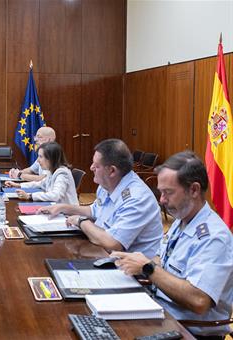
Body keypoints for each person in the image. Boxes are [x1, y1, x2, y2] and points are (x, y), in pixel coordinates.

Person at [111, 151, 233, 339]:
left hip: (187, 331)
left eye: (168, 192)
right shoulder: (182, 220)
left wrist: (148, 268)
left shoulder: (214, 237)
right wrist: (133, 262)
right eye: (161, 192)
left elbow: (199, 300)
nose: (162, 200)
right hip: (161, 314)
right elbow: (162, 259)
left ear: (194, 190)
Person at [38, 138, 162, 258]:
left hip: (132, 271)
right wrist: (63, 207)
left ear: (112, 171)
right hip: (103, 253)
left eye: (96, 166)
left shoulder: (136, 198)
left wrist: (81, 222)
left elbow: (113, 244)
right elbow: (94, 210)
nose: (91, 167)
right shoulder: (107, 184)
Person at [4, 142, 78, 204]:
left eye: (40, 157)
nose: (38, 160)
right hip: (56, 210)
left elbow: (55, 195)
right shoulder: (52, 171)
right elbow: (40, 184)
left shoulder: (62, 173)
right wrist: (18, 185)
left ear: (51, 158)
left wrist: (30, 196)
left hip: (67, 216)